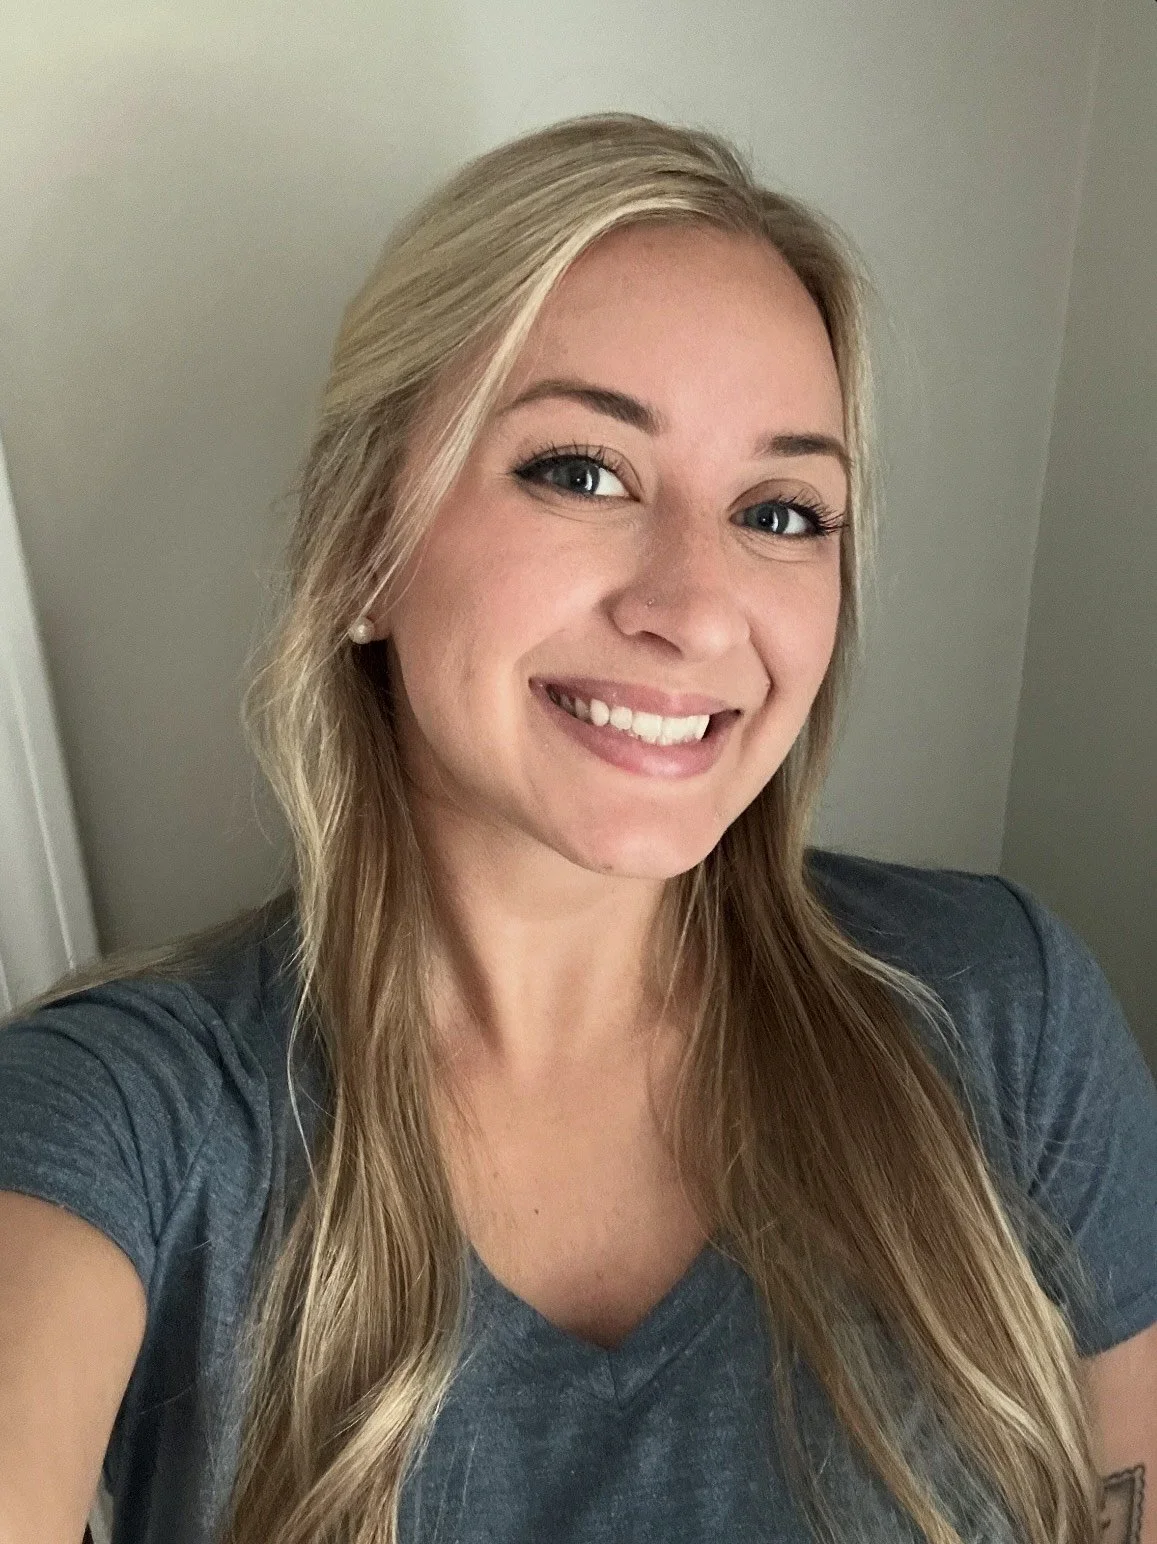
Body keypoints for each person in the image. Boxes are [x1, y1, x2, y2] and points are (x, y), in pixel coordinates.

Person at [0, 112, 1154, 1544]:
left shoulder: (1005, 1016)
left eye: (784, 511)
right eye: (582, 471)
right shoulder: (126, 1116)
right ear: (367, 541)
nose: (696, 604)